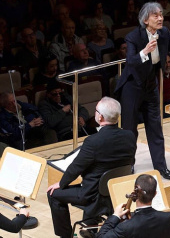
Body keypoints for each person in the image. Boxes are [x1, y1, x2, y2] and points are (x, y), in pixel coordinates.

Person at [115, 2, 170, 180]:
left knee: (155, 128)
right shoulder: (133, 37)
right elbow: (130, 61)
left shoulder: (164, 32)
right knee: (130, 130)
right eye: (156, 15)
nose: (160, 18)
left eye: (161, 15)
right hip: (132, 87)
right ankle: (128, 165)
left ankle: (161, 167)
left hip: (151, 86)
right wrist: (144, 51)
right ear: (145, 20)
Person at [47, 97, 137, 238]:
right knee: (94, 175)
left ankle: (65, 236)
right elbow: (131, 161)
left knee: (53, 194)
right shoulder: (130, 136)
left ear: (100, 116)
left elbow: (76, 168)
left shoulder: (93, 142)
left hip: (94, 195)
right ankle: (90, 228)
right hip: (116, 190)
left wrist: (61, 183)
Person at [96, 174, 170, 238]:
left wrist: (115, 216)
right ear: (155, 194)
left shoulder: (125, 227)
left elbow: (101, 236)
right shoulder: (167, 218)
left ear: (135, 192)